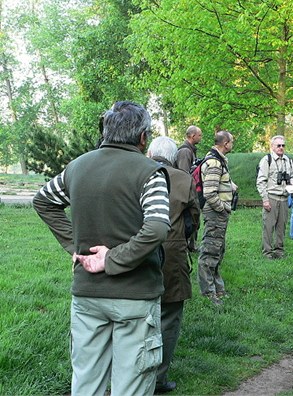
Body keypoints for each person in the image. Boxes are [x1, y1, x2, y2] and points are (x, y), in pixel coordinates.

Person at [33, 101, 170, 395]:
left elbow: (43, 200)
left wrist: (75, 245)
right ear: (143, 137)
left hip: (87, 295)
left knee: (86, 383)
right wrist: (111, 258)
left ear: (106, 131)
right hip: (135, 295)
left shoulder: (77, 167)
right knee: (130, 386)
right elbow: (158, 226)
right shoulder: (150, 171)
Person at [147, 137, 200, 394]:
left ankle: (131, 374)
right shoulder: (183, 179)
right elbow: (193, 218)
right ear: (172, 156)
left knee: (138, 315)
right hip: (173, 252)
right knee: (169, 315)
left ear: (149, 152)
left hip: (136, 251)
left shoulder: (136, 172)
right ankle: (158, 378)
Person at [198, 131, 236, 305]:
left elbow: (218, 184)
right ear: (225, 143)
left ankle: (218, 290)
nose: (232, 144)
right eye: (232, 142)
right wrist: (222, 209)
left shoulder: (219, 159)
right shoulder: (214, 162)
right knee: (209, 253)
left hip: (219, 214)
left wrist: (230, 186)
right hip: (215, 214)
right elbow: (210, 193)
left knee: (218, 251)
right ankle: (208, 294)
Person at [256, 135, 293, 259]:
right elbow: (261, 181)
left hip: (284, 198)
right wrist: (265, 199)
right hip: (271, 197)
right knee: (268, 227)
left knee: (281, 227)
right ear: (272, 146)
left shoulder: (288, 160)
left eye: (283, 145)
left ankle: (279, 251)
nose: (281, 148)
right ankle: (267, 252)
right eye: (278, 145)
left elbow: (292, 176)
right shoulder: (266, 160)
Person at [176, 125, 203, 252]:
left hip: (192, 189)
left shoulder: (191, 150)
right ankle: (186, 245)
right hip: (186, 191)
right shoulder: (185, 151)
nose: (200, 137)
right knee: (189, 217)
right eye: (199, 135)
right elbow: (183, 174)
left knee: (194, 217)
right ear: (192, 136)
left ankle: (192, 245)